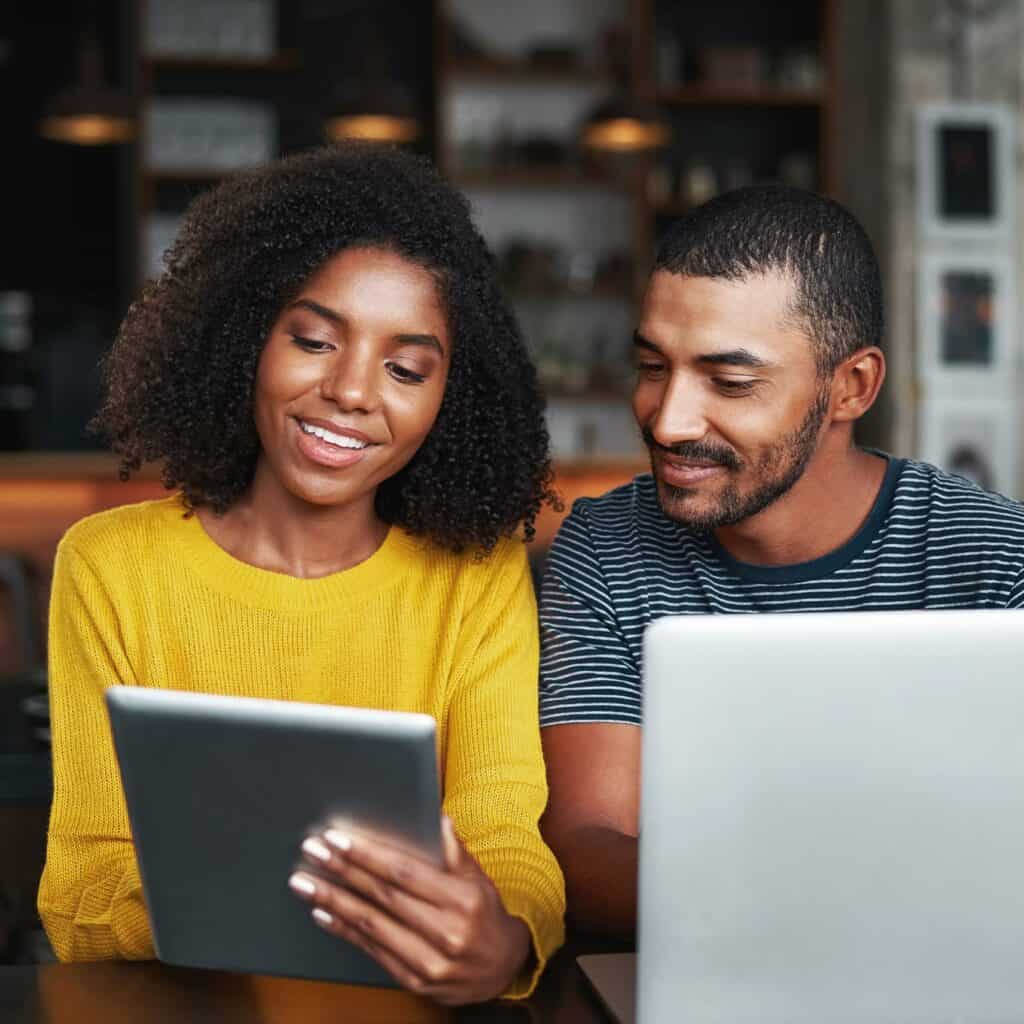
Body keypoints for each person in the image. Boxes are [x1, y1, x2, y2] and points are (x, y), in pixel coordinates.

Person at [38, 142, 565, 1004]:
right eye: (315, 339)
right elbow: (82, 898)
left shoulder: (474, 577)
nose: (353, 391)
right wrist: (315, 903)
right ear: (246, 336)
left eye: (406, 368)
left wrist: (501, 936)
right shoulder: (112, 567)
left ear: (450, 400)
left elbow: (504, 836)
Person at [537, 184, 1024, 939]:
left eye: (730, 383)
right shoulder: (607, 548)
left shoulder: (996, 561)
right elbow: (585, 846)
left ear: (850, 388)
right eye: (652, 367)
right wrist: (821, 919)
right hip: (711, 970)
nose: (669, 420)